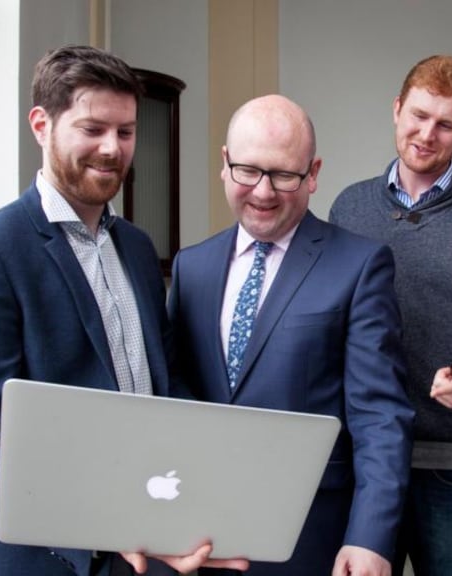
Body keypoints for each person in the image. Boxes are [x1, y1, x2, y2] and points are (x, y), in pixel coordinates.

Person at [0, 45, 246, 576]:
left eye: (125, 132)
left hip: (141, 551)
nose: (112, 148)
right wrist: (106, 520)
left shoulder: (139, 249)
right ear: (41, 124)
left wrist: (204, 489)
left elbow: (163, 390)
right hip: (36, 558)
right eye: (92, 128)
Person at [167, 94, 414, 576]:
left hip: (309, 535)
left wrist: (370, 537)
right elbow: (176, 397)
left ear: (313, 172)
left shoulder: (359, 266)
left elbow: (379, 415)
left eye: (283, 175)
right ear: (224, 164)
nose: (263, 192)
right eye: (248, 171)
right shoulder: (190, 267)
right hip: (199, 537)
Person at [329, 55, 452, 576]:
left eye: (446, 124)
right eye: (418, 115)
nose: (426, 134)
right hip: (363, 461)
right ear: (396, 109)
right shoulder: (348, 208)